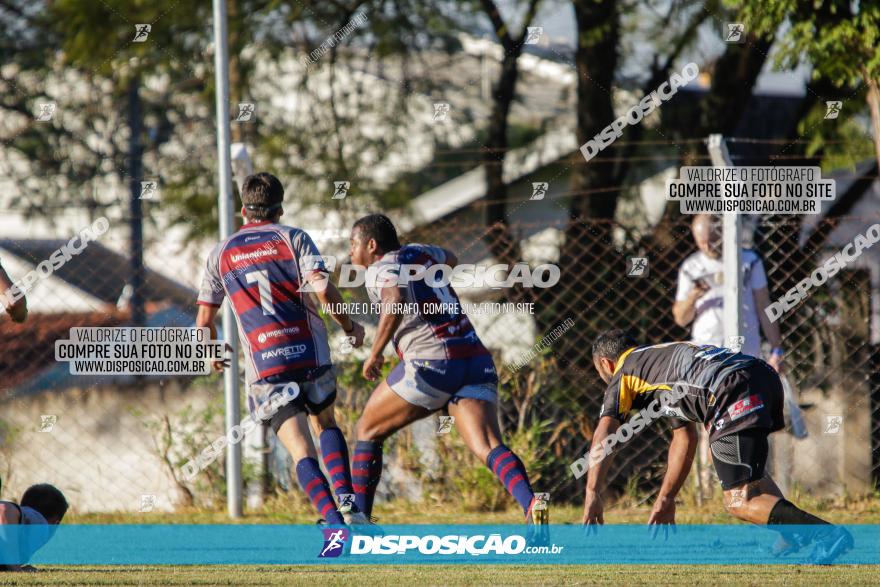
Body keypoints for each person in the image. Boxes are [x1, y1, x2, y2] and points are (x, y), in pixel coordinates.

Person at [582, 329, 853, 564]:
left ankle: (827, 535)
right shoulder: (659, 359)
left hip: (729, 390)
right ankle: (790, 533)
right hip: (761, 375)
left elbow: (605, 433)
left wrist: (593, 491)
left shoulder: (625, 370)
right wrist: (666, 498)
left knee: (737, 501)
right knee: (751, 479)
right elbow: (684, 438)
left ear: (606, 364)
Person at [347, 213, 547, 528]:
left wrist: (374, 353)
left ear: (371, 245)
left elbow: (395, 298)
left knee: (367, 429)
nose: (350, 252)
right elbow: (450, 258)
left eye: (353, 244)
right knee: (487, 444)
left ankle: (359, 520)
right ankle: (532, 503)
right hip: (475, 358)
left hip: (433, 363)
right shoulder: (421, 252)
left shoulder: (379, 268)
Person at [196, 172, 367, 525]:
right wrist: (349, 326)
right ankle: (350, 507)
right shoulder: (294, 239)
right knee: (326, 422)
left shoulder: (221, 253)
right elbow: (323, 290)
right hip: (310, 355)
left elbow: (203, 322)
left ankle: (333, 523)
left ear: (243, 209)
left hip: (266, 367)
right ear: (281, 209)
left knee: (300, 448)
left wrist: (211, 352)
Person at [673, 214, 784, 372]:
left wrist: (776, 349)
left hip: (745, 350)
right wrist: (694, 295)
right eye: (702, 242)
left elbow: (764, 305)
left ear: (723, 232)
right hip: (707, 352)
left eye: (712, 240)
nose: (708, 247)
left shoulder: (749, 261)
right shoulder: (691, 267)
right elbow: (681, 319)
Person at [0, 483, 68, 571]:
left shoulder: (24, 527)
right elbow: (4, 509)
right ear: (56, 524)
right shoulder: (40, 522)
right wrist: (15, 568)